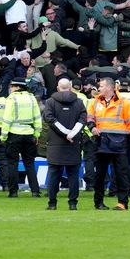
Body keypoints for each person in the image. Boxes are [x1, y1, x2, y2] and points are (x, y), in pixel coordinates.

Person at [89, 76, 130, 210]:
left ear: (110, 88)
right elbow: (89, 117)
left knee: (121, 174)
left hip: (120, 143)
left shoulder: (124, 102)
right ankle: (98, 202)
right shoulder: (95, 101)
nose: (99, 88)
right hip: (101, 142)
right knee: (99, 175)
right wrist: (92, 127)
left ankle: (122, 202)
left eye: (102, 86)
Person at [43, 78, 86, 210]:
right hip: (73, 144)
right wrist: (71, 133)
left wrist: (66, 133)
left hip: (55, 145)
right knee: (73, 175)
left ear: (58, 88)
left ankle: (52, 203)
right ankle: (72, 203)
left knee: (53, 175)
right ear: (71, 87)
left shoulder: (50, 102)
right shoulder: (79, 102)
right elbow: (83, 119)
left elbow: (49, 119)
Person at [1, 79, 42, 197]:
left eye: (12, 86)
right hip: (29, 134)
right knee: (29, 163)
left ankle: (13, 191)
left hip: (14, 134)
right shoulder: (31, 98)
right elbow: (37, 117)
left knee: (12, 163)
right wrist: (37, 134)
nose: (11, 88)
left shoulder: (12, 98)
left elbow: (7, 118)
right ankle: (35, 190)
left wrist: (3, 136)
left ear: (17, 87)